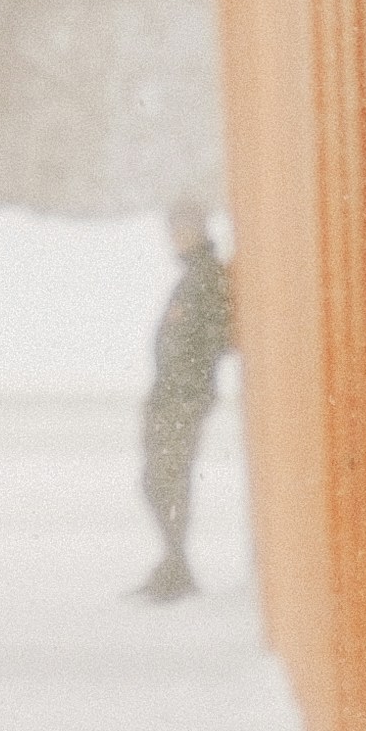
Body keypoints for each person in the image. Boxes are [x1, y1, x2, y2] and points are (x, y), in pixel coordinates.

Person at [133, 198, 236, 601]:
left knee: (167, 479)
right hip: (171, 395)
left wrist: (189, 384)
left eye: (182, 227)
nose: (175, 237)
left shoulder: (205, 277)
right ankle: (173, 561)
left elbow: (213, 337)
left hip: (183, 397)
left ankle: (177, 565)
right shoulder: (195, 275)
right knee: (159, 479)